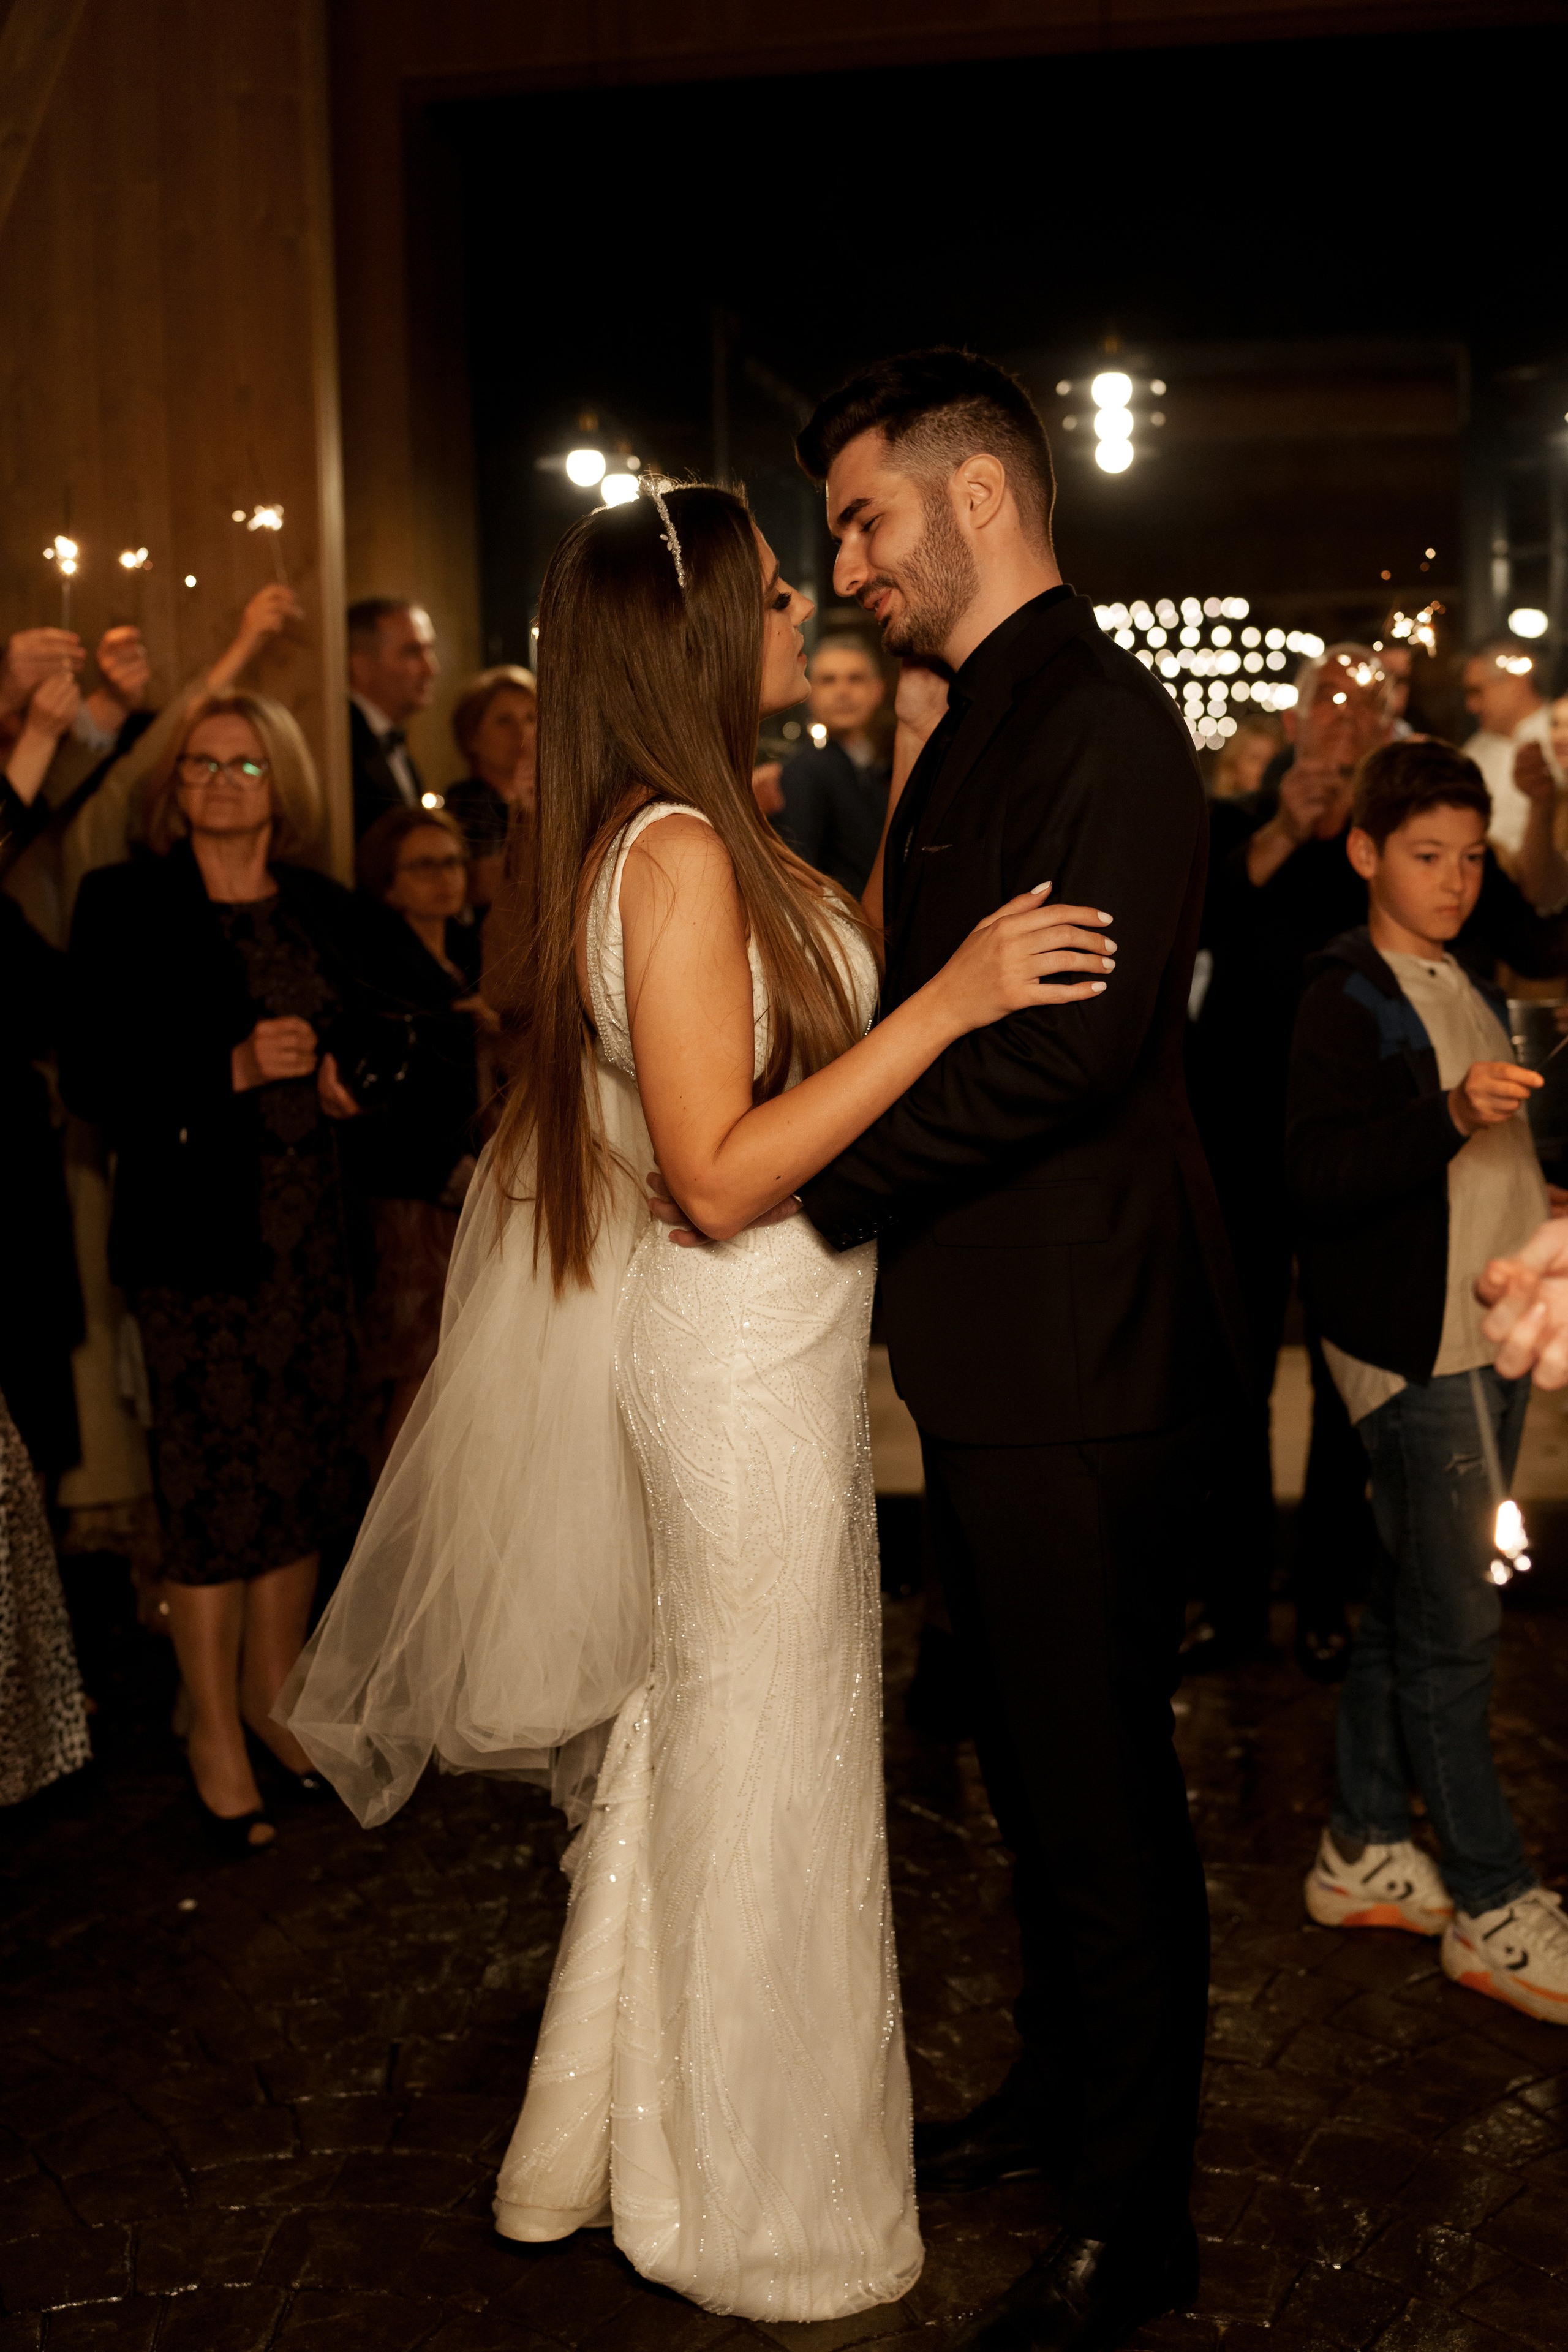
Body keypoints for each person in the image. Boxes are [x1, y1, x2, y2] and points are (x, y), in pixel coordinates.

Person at [281, 478, 1113, 2323]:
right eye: (769, 595)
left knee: (735, 1741)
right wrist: (959, 1003)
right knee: (764, 1755)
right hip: (732, 1364)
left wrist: (908, 812)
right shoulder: (661, 851)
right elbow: (724, 1170)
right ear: (694, 629)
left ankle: (616, 2121)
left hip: (782, 1360)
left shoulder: (710, 835)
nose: (797, 614)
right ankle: (738, 2189)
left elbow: (813, 1005)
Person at [774, 346, 1246, 2351]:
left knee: (1102, 1796)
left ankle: (1141, 2229)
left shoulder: (1107, 726)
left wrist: (814, 1195)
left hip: (1085, 1357)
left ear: (979, 498)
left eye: (866, 520)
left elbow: (1071, 1047)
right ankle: (1061, 2097)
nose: (849, 566)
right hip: (995, 1359)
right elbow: (934, 1005)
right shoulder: (972, 728)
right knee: (1039, 1790)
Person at [1188, 650, 1568, 1681]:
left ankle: (1325, 1598)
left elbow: (1525, 931)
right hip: (1242, 1137)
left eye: (1367, 705)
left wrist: (1543, 816)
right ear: (1300, 718)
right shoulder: (1245, 818)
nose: (1347, 720)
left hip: (1381, 1149)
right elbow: (1193, 929)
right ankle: (1230, 1605)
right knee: (1236, 1381)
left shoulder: (1410, 841)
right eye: (1330, 704)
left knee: (1351, 1381)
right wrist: (1280, 827)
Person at [1287, 739, 1568, 2022]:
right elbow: (1320, 1180)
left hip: (1490, 1330)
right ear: (1363, 854)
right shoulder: (1339, 989)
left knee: (1412, 1610)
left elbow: (1483, 1151)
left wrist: (1535, 1190)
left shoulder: (1456, 969)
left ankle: (1359, 1848)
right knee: (1455, 1640)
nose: (1452, 882)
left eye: (1468, 859)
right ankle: (1492, 1901)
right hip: (1417, 1353)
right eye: (1423, 857)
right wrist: (1450, 1115)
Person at [62, 691, 372, 1852]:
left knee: (296, 1470)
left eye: (248, 762)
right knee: (210, 1486)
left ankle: (270, 1696)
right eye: (202, 763)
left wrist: (349, 1079)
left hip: (311, 1243)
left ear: (282, 784)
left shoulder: (324, 912)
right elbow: (93, 1075)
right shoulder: (128, 903)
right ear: (171, 783)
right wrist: (229, 1065)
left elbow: (395, 1032)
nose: (225, 780)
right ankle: (211, 1729)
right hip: (195, 1247)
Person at [352, 805, 489, 1460]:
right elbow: (393, 1103)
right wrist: (447, 1170)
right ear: (388, 881)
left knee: (452, 1360)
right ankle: (393, 1529)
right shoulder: (383, 969)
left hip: (460, 1178)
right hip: (412, 1188)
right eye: (425, 866)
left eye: (454, 863)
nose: (446, 878)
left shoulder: (462, 953)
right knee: (416, 1364)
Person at [775, 632, 891, 894]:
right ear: (809, 692)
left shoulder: (872, 769)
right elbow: (802, 881)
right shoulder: (803, 772)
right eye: (829, 680)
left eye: (855, 679)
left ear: (877, 691)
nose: (843, 691)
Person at [440, 665, 537, 911]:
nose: (522, 731)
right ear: (472, 737)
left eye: (531, 718)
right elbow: (487, 889)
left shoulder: (551, 800)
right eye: (504, 721)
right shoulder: (471, 803)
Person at [1461, 638, 1562, 858]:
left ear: (1515, 681)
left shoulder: (1561, 737)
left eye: (1477, 691)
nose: (1472, 706)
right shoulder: (1475, 750)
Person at [348, 597, 439, 837]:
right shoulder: (343, 744)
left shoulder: (391, 738)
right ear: (361, 666)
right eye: (412, 652)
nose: (431, 669)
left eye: (429, 650)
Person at [1207, 714, 1280, 800]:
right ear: (1232, 766)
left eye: (1272, 759)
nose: (1266, 767)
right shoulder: (1214, 811)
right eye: (1255, 759)